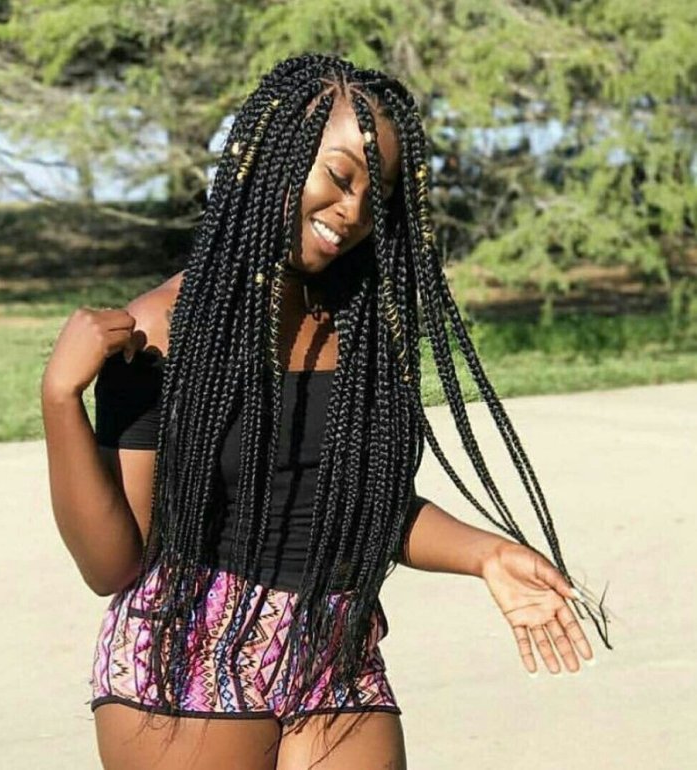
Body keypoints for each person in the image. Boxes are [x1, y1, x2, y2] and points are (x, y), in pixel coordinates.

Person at [41, 54, 608, 770]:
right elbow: (112, 564)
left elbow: (363, 510)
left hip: (334, 651)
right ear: (272, 155)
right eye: (340, 177)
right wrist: (60, 400)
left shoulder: (363, 334)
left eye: (378, 195)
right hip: (191, 656)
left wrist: (486, 554)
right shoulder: (161, 333)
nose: (353, 212)